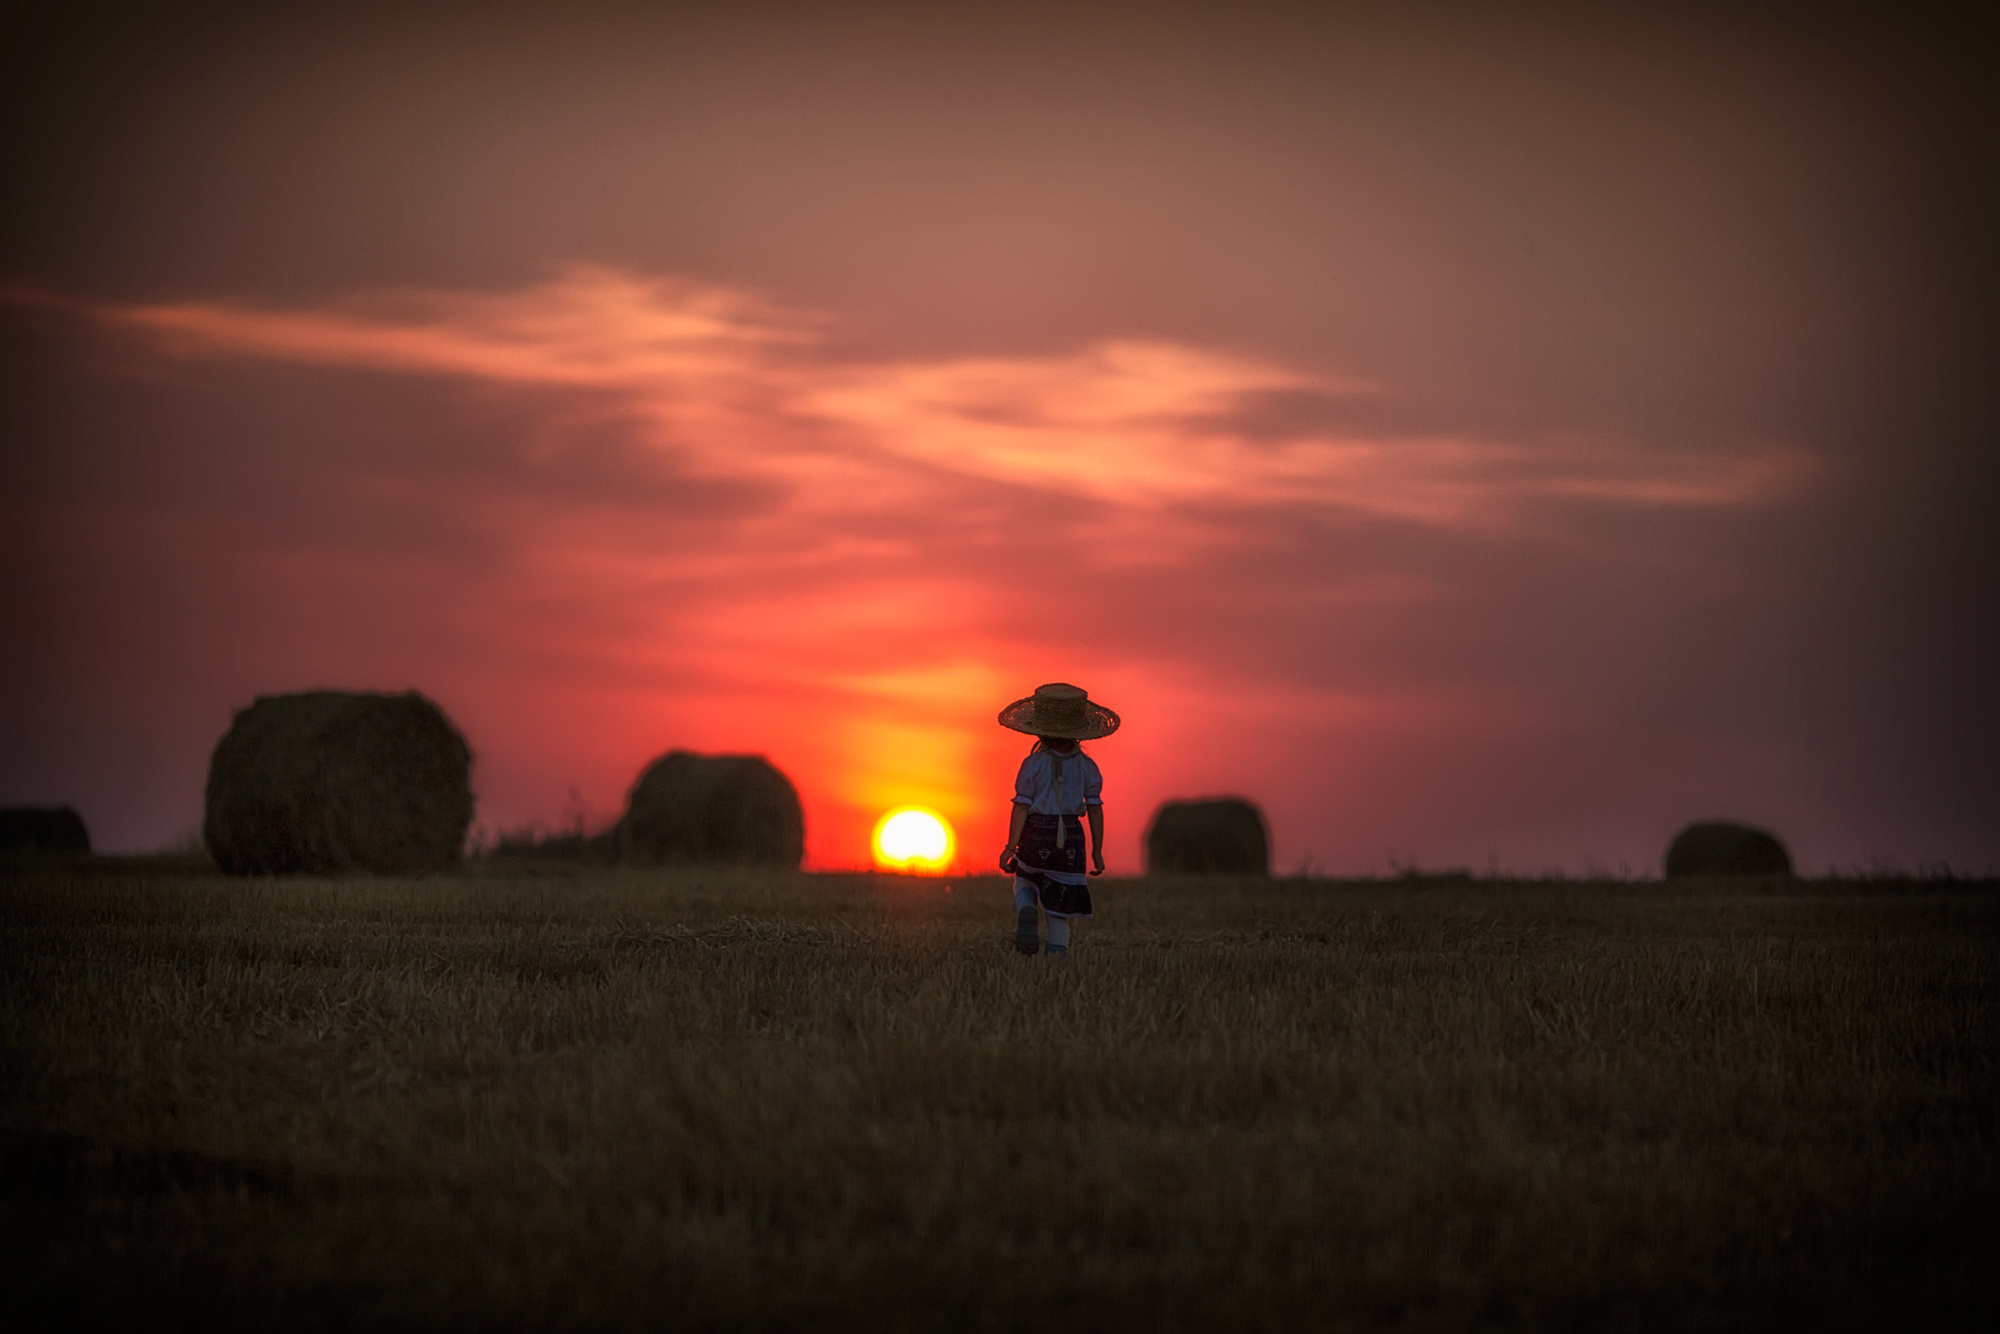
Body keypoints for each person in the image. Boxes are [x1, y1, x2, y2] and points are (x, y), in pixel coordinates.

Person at [997, 682, 1120, 958]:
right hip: (1071, 841)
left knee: (1025, 880)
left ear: (1039, 728)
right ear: (1079, 732)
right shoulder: (1088, 767)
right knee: (1059, 910)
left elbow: (1020, 807)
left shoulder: (1032, 764)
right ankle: (1056, 964)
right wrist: (1097, 851)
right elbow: (1096, 809)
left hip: (1037, 833)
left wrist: (1009, 847)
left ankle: (1027, 904)